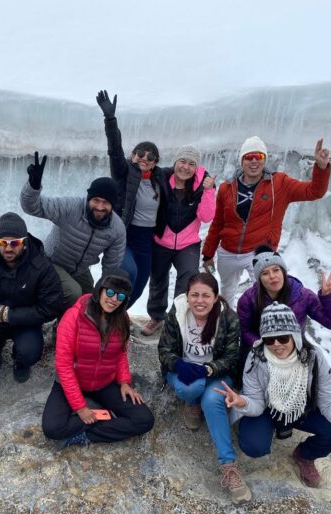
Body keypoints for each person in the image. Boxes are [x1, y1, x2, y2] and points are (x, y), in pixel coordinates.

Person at [216, 303, 331, 488]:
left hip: (301, 410)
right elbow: (256, 401)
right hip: (267, 408)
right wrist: (242, 403)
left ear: (295, 335)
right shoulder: (256, 357)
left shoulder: (314, 358)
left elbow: (330, 405)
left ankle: (305, 455)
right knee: (254, 447)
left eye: (282, 337)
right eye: (270, 339)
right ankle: (270, 428)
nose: (276, 345)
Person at [201, 137, 331, 305]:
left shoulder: (280, 183)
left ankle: (263, 327)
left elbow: (314, 191)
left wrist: (321, 168)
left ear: (264, 160)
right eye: (249, 157)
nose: (254, 161)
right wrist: (208, 253)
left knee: (267, 296)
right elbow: (218, 222)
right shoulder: (227, 188)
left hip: (258, 253)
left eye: (259, 156)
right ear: (242, 160)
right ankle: (229, 324)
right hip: (228, 251)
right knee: (227, 292)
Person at [157, 273, 250, 503]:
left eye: (206, 295)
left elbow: (231, 358)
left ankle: (228, 465)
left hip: (215, 373)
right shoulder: (177, 313)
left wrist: (207, 370)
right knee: (192, 389)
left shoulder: (228, 318)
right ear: (187, 297)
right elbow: (164, 350)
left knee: (211, 398)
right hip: (183, 370)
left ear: (216, 297)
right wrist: (178, 364)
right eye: (194, 295)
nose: (200, 300)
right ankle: (192, 403)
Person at [41, 269, 155, 446]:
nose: (113, 299)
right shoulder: (73, 317)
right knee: (52, 428)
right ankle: (106, 416)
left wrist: (124, 382)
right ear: (99, 290)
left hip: (104, 382)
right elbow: (63, 366)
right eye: (109, 292)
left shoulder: (122, 318)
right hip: (73, 381)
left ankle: (88, 434)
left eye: (120, 295)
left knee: (144, 420)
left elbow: (121, 353)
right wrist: (80, 407)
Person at [0, 212, 65, 383]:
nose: (8, 248)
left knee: (30, 353)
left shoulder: (41, 266)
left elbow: (51, 307)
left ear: (24, 242)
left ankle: (19, 359)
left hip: (25, 322)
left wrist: (9, 315)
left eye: (14, 243)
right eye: (3, 243)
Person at [20, 153, 126, 309]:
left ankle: (76, 327)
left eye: (106, 203)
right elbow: (32, 207)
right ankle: (59, 324)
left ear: (113, 205)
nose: (100, 206)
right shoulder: (70, 208)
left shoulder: (117, 229)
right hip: (51, 261)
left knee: (92, 299)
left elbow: (111, 267)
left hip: (80, 270)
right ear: (88, 198)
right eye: (95, 200)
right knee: (73, 293)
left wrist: (106, 292)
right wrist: (33, 186)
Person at [96, 89, 171, 309]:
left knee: (138, 285)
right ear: (133, 155)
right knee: (127, 271)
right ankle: (98, 306)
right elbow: (114, 150)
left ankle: (117, 315)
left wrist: (205, 180)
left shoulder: (161, 178)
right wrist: (110, 119)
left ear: (156, 161)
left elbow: (185, 172)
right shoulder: (124, 172)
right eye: (140, 154)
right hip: (124, 234)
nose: (144, 158)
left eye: (150, 156)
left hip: (147, 239)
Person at [142, 145, 216, 336]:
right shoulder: (162, 178)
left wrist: (208, 191)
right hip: (160, 241)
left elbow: (206, 217)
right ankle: (156, 318)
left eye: (192, 164)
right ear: (176, 162)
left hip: (188, 243)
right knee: (158, 280)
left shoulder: (203, 185)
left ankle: (176, 320)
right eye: (182, 161)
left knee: (188, 278)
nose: (185, 167)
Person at [237, 246, 331, 361]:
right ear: (259, 278)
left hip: (293, 349)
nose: (272, 276)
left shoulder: (303, 295)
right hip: (261, 350)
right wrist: (261, 345)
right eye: (265, 273)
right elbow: (245, 331)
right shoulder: (248, 299)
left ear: (283, 272)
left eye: (276, 270)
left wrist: (328, 296)